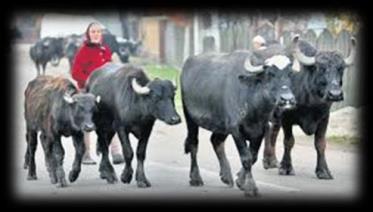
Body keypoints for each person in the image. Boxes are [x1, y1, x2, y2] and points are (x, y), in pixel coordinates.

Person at [71, 22, 125, 165]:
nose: (95, 34)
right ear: (88, 34)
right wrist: (90, 82)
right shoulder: (83, 51)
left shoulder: (105, 50)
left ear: (101, 34)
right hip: (87, 91)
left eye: (98, 32)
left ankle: (116, 152)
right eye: (93, 31)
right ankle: (86, 154)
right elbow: (75, 73)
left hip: (105, 93)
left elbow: (111, 70)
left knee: (112, 119)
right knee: (87, 121)